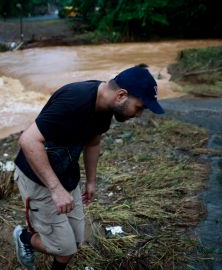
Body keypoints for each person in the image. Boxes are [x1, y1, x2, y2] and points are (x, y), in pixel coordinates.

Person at [12, 65, 165, 270]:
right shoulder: (74, 100)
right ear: (121, 95)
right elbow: (28, 141)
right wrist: (56, 190)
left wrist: (91, 180)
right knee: (64, 248)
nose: (138, 115)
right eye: (139, 108)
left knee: (75, 241)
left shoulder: (105, 107)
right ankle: (23, 237)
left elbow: (93, 142)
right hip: (38, 177)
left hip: (66, 173)